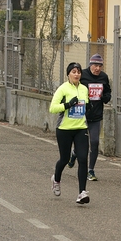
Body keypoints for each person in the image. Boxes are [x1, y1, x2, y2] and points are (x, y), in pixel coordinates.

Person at [49, 62, 91, 204]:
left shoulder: (84, 89)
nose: (77, 74)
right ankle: (56, 179)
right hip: (64, 129)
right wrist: (67, 105)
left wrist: (88, 106)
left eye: (78, 72)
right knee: (65, 159)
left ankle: (82, 192)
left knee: (83, 158)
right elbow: (53, 108)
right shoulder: (63, 89)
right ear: (68, 74)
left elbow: (86, 105)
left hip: (80, 128)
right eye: (73, 72)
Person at [67, 53, 111, 181]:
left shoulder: (104, 77)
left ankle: (90, 170)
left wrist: (105, 97)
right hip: (81, 115)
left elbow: (108, 92)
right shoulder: (83, 75)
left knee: (95, 142)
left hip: (96, 115)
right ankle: (74, 153)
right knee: (83, 144)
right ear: (90, 65)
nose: (97, 68)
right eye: (95, 65)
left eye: (100, 66)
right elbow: (72, 87)